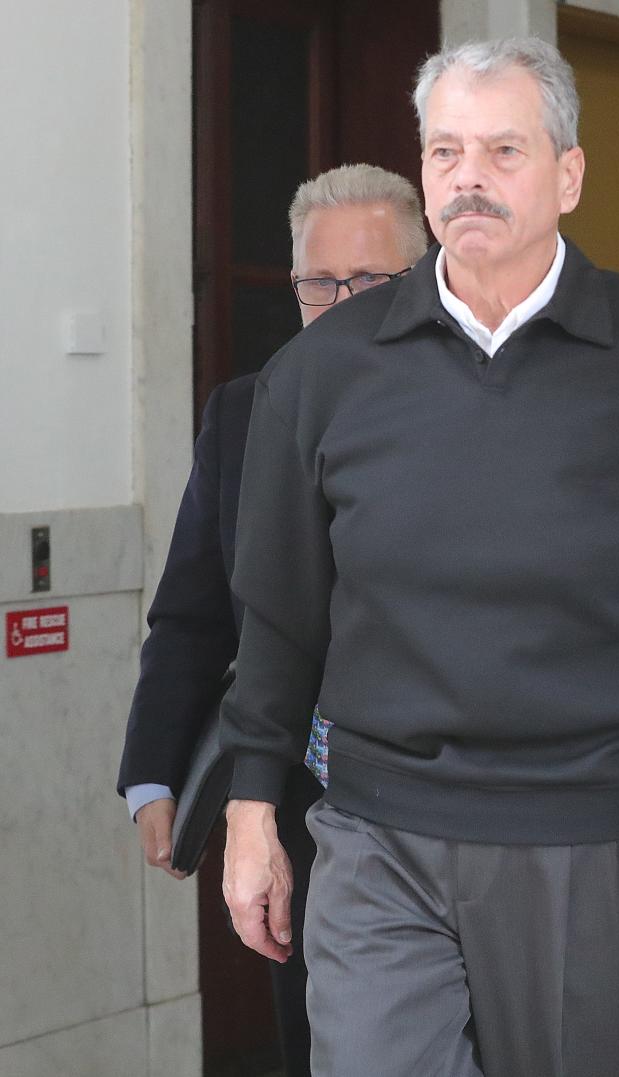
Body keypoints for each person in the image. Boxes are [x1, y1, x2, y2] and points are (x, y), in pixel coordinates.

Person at [218, 36, 619, 1077]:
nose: (468, 178)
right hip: (378, 830)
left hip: (594, 833)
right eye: (445, 152)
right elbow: (280, 610)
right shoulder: (323, 372)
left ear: (568, 174)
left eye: (504, 151)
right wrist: (252, 810)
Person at [116, 162, 427, 1077]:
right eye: (317, 284)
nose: (339, 306)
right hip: (294, 788)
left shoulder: (473, 410)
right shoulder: (242, 413)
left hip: (449, 787)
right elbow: (192, 609)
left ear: (424, 279)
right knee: (317, 1040)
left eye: (368, 283)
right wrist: (153, 771)